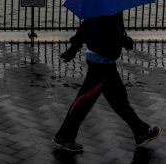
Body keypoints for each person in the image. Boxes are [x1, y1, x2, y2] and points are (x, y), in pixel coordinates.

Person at [52, 12, 160, 153]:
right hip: (100, 66)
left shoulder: (107, 10)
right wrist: (124, 41)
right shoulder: (105, 12)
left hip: (106, 64)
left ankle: (141, 132)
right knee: (83, 102)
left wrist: (74, 47)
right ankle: (63, 138)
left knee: (119, 102)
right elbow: (104, 35)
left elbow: (89, 28)